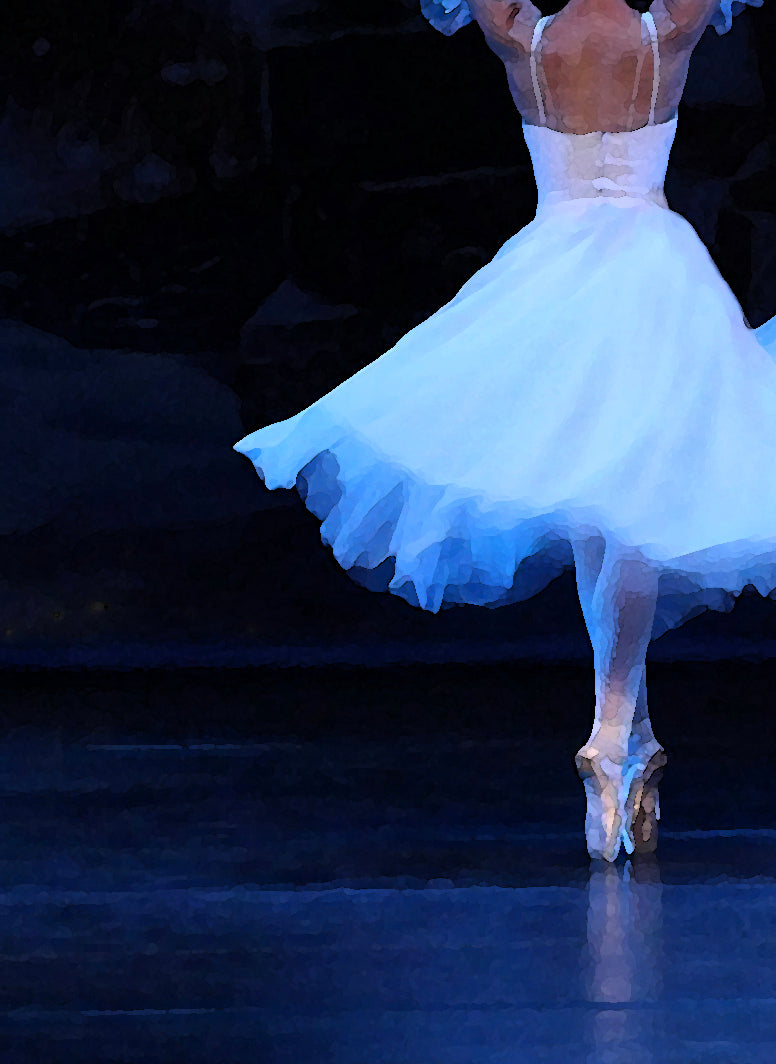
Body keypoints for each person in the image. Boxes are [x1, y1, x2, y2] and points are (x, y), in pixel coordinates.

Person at [233, 0, 774, 862]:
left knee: (607, 503)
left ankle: (621, 729)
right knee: (631, 503)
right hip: (650, 277)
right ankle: (615, 727)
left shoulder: (525, 38)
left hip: (553, 272)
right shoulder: (665, 32)